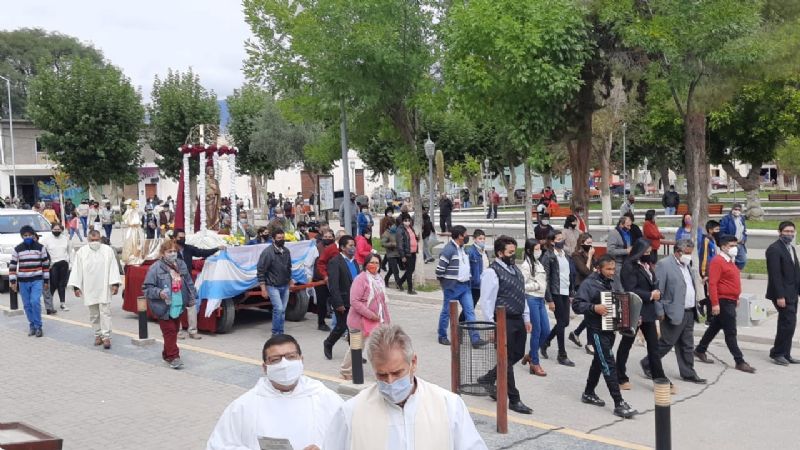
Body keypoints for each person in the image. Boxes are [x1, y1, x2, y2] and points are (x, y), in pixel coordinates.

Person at [324, 324, 487, 449]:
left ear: (413, 363)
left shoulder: (448, 406)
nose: (390, 381)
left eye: (397, 373)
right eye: (381, 375)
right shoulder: (352, 413)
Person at [208, 335, 343, 450]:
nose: (284, 365)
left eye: (291, 357)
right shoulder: (244, 406)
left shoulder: (325, 398)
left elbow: (349, 439)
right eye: (275, 360)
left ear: (301, 360)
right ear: (265, 367)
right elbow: (219, 445)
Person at [571, 255, 638, 418]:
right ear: (598, 268)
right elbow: (576, 305)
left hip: (610, 329)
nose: (612, 272)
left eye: (613, 269)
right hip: (596, 330)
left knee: (599, 362)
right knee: (608, 364)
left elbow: (621, 300)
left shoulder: (613, 282)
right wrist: (594, 308)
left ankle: (588, 393)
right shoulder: (589, 283)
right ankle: (619, 402)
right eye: (608, 269)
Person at [475, 235, 533, 414]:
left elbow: (521, 294)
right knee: (506, 359)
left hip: (517, 318)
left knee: (516, 354)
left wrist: (526, 317)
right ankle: (514, 399)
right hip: (503, 319)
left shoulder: (515, 270)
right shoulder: (491, 272)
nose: (513, 255)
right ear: (500, 253)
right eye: (510, 252)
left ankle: (488, 378)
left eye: (514, 252)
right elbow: (487, 301)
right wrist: (491, 325)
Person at [641, 239, 707, 385]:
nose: (689, 256)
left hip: (689, 311)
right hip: (672, 311)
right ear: (678, 252)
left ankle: (688, 372)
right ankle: (648, 363)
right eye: (687, 253)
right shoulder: (665, 265)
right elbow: (658, 289)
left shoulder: (687, 265)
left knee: (687, 344)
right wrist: (660, 310)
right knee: (666, 342)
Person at [615, 239, 672, 393]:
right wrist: (650, 295)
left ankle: (659, 378)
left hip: (648, 312)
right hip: (635, 310)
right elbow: (631, 288)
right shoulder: (629, 266)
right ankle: (619, 376)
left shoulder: (647, 266)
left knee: (653, 347)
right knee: (626, 344)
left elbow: (652, 283)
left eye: (650, 252)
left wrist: (657, 291)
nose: (649, 254)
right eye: (646, 252)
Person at [693, 235, 756, 373]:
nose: (735, 248)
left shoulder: (730, 260)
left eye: (736, 245)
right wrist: (715, 303)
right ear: (723, 247)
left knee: (715, 326)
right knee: (731, 332)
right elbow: (713, 284)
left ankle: (700, 349)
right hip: (724, 301)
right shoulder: (717, 261)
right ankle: (739, 361)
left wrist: (736, 297)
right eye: (731, 246)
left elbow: (732, 281)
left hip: (731, 300)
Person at [142, 240, 198, 369]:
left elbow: (188, 281)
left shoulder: (181, 264)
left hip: (178, 304)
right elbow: (146, 288)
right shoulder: (155, 268)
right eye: (169, 251)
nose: (173, 254)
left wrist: (192, 297)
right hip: (164, 306)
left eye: (174, 251)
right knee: (170, 332)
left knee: (173, 332)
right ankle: (174, 357)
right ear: (163, 253)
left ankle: (166, 353)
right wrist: (159, 292)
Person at [67, 230, 121, 349]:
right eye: (92, 240)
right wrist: (76, 287)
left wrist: (115, 284)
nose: (95, 242)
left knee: (105, 312)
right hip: (89, 287)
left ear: (100, 239)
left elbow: (113, 267)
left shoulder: (108, 251)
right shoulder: (82, 252)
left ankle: (106, 336)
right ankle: (98, 334)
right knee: (94, 314)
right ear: (88, 240)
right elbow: (77, 270)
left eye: (97, 240)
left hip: (104, 287)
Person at [342, 253, 392, 379]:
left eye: (377, 263)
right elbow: (354, 301)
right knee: (356, 348)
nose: (374, 265)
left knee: (373, 346)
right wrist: (371, 315)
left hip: (375, 321)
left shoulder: (379, 279)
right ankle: (346, 372)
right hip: (358, 321)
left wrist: (386, 320)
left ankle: (363, 373)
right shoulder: (361, 279)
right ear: (365, 264)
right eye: (371, 262)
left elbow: (382, 302)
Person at [435, 225, 484, 348]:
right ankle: (442, 336)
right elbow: (439, 270)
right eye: (465, 234)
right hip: (452, 287)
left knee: (470, 311)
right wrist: (446, 283)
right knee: (447, 312)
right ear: (459, 236)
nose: (467, 236)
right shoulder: (448, 250)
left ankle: (475, 339)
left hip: (465, 286)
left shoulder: (463, 249)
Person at [174, 228, 224, 339]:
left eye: (184, 236)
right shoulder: (171, 250)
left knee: (192, 305)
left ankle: (192, 331)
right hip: (175, 281)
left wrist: (216, 248)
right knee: (177, 306)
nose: (182, 239)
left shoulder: (188, 248)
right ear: (174, 238)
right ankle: (178, 331)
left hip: (188, 281)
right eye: (180, 237)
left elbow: (202, 252)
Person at [765, 221, 800, 365]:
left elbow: (796, 270)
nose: (789, 234)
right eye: (786, 231)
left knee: (788, 324)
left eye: (792, 231)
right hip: (782, 294)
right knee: (788, 323)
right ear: (779, 232)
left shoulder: (791, 248)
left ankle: (785, 353)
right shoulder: (774, 249)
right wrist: (780, 296)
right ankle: (778, 353)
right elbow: (775, 275)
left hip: (792, 292)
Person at [540, 230, 575, 366]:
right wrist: (549, 299)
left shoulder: (565, 255)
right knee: (561, 322)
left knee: (565, 322)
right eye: (559, 238)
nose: (562, 240)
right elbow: (546, 279)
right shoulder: (548, 256)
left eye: (562, 238)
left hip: (565, 291)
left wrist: (572, 291)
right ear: (552, 241)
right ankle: (562, 354)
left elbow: (569, 274)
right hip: (555, 292)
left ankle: (546, 342)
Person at [9, 225, 50, 337]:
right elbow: (12, 266)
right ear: (22, 236)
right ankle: (32, 325)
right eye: (25, 235)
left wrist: (46, 281)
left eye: (29, 235)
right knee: (27, 305)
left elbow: (45, 265)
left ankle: (38, 326)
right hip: (23, 281)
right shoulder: (17, 249)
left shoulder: (40, 248)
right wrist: (13, 281)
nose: (27, 237)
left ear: (33, 235)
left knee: (35, 302)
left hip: (37, 279)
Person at [323, 235, 359, 361]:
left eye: (354, 245)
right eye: (350, 246)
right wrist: (338, 303)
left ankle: (355, 354)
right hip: (343, 301)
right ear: (343, 247)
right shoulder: (335, 262)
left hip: (355, 301)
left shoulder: (354, 261)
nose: (353, 248)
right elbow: (333, 285)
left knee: (355, 328)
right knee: (342, 326)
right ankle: (328, 343)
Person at [520, 238, 549, 377]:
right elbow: (521, 285)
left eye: (539, 248)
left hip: (540, 299)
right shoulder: (526, 266)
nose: (539, 251)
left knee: (546, 331)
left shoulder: (538, 263)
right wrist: (535, 286)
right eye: (536, 249)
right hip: (531, 299)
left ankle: (531, 355)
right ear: (529, 250)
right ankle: (535, 363)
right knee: (537, 331)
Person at [257, 229, 294, 337]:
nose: (281, 240)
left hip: (285, 285)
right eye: (279, 238)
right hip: (272, 285)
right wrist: (263, 288)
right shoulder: (267, 253)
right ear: (273, 239)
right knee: (278, 309)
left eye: (283, 238)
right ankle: (275, 333)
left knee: (282, 310)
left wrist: (290, 281)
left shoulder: (286, 251)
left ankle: (280, 332)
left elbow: (289, 267)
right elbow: (261, 270)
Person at [569, 233, 595, 355]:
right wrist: (589, 257)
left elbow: (593, 270)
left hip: (592, 285)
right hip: (582, 286)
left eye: (591, 243)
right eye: (588, 243)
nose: (590, 246)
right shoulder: (576, 255)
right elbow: (585, 271)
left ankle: (576, 333)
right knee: (590, 314)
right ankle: (589, 343)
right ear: (582, 243)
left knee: (590, 314)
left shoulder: (590, 254)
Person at [41, 222, 72, 314]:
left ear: (61, 230)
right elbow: (43, 251)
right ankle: (49, 304)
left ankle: (62, 303)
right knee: (53, 285)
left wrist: (70, 263)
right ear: (51, 230)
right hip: (53, 265)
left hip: (64, 263)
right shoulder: (47, 240)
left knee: (62, 285)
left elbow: (70, 252)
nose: (57, 231)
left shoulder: (66, 239)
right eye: (55, 230)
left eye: (58, 230)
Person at [461, 229, 488, 322]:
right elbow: (465, 268)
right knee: (470, 307)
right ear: (474, 239)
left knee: (473, 306)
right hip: (474, 284)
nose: (482, 240)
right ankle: (460, 323)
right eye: (480, 238)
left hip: (484, 283)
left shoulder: (484, 251)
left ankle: (462, 323)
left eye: (484, 238)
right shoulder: (470, 251)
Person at [313, 229, 338, 332]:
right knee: (321, 302)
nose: (327, 239)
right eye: (325, 237)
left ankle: (337, 322)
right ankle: (321, 322)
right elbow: (315, 262)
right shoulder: (317, 248)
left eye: (330, 237)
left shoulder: (336, 247)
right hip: (320, 278)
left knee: (336, 300)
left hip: (333, 277)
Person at [698, 220, 721, 324]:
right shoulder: (706, 240)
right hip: (708, 271)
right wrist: (705, 274)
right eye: (716, 229)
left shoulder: (713, 239)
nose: (718, 231)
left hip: (714, 270)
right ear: (710, 230)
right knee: (710, 294)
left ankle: (701, 303)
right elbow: (704, 258)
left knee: (712, 293)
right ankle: (709, 318)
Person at [396, 213, 419, 295]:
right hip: (406, 253)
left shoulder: (411, 228)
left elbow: (413, 238)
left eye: (409, 220)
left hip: (413, 252)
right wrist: (402, 256)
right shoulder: (400, 230)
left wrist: (417, 238)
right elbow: (400, 244)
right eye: (405, 220)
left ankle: (399, 282)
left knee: (411, 270)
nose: (407, 222)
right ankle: (410, 289)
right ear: (402, 221)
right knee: (409, 271)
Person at [607, 215, 632, 289]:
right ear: (621, 224)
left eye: (630, 226)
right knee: (619, 288)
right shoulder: (614, 233)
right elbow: (610, 250)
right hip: (617, 265)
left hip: (626, 263)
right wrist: (626, 251)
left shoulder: (627, 232)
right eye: (627, 226)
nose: (629, 228)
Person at [719, 203, 747, 270]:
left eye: (739, 210)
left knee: (742, 260)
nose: (737, 211)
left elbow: (744, 231)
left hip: (740, 244)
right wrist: (730, 240)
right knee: (729, 261)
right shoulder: (726, 219)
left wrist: (744, 239)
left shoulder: (742, 219)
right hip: (730, 244)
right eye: (735, 209)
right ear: (732, 210)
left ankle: (735, 272)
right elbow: (721, 232)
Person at [381, 222, 402, 289]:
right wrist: (392, 244)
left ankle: (386, 279)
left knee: (391, 270)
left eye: (395, 225)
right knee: (395, 270)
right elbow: (383, 243)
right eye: (393, 225)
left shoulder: (397, 232)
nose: (395, 227)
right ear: (389, 226)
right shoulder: (386, 233)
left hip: (398, 254)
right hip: (391, 254)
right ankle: (398, 284)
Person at [206, 166, 222, 231]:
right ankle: (209, 228)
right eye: (210, 171)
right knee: (210, 215)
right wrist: (210, 194)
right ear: (207, 172)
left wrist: (216, 191)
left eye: (213, 171)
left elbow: (218, 190)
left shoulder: (216, 181)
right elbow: (204, 191)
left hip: (215, 200)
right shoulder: (206, 181)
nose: (211, 173)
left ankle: (215, 227)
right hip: (208, 201)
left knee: (215, 214)